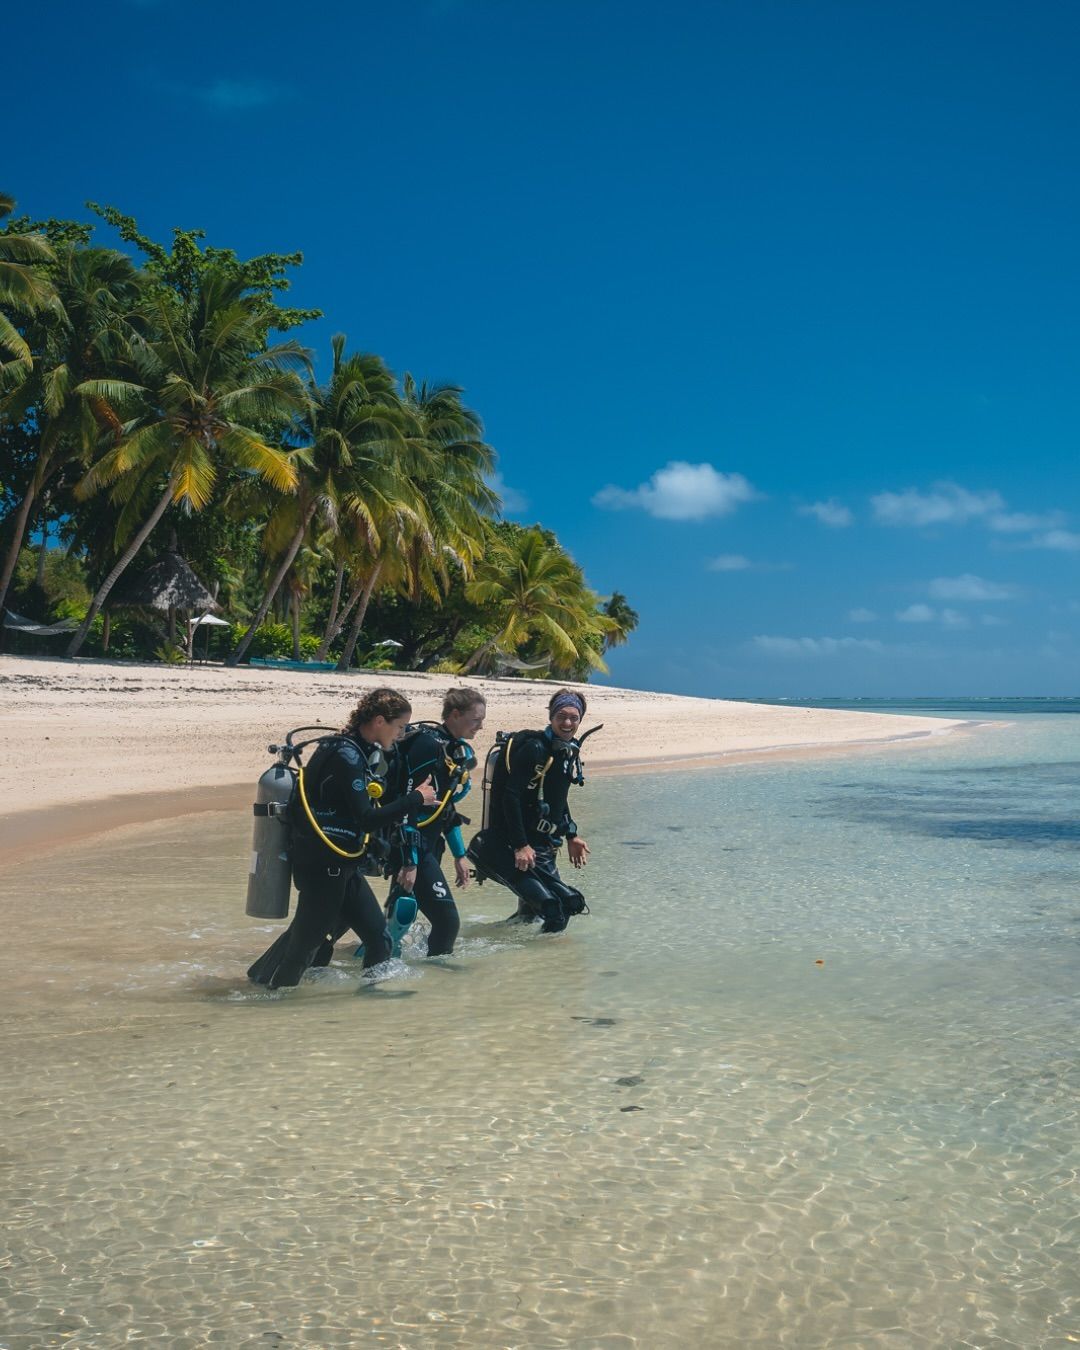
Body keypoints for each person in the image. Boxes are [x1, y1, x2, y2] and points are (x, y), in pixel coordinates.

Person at [247, 688, 437, 989]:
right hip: (324, 866)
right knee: (305, 945)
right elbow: (366, 817)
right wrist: (416, 798)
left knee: (379, 939)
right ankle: (272, 1003)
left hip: (341, 864)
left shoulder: (353, 750)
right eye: (399, 727)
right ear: (379, 721)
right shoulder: (346, 755)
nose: (400, 735)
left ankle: (368, 1003)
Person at [468, 688, 594, 933]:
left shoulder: (566, 751)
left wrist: (571, 835)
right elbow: (510, 798)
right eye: (561, 716)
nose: (567, 723)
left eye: (574, 718)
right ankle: (542, 964)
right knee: (557, 910)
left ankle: (510, 950)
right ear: (551, 716)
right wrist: (520, 845)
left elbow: (558, 799)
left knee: (529, 915)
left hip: (544, 843)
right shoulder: (535, 749)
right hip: (523, 844)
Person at [384, 687, 487, 957]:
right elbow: (408, 802)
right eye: (476, 720)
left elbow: (444, 808)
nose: (481, 726)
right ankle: (438, 979)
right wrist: (410, 861)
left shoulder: (451, 750)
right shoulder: (427, 746)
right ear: (455, 714)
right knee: (447, 921)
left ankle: (369, 966)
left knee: (395, 918)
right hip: (410, 845)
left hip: (424, 845)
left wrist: (459, 855)